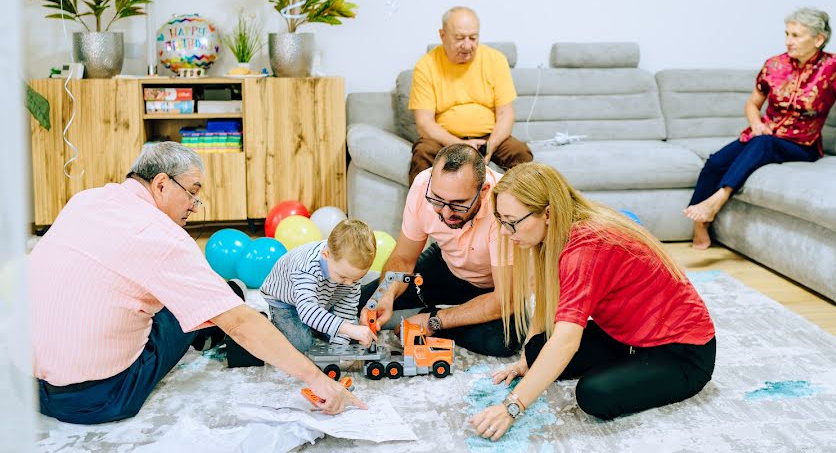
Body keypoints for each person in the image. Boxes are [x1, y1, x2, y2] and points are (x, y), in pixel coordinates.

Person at [30, 142, 363, 424]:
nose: (194, 205)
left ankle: (211, 319)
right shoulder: (162, 238)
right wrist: (318, 380)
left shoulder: (85, 199)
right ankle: (212, 322)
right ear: (161, 184)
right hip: (100, 397)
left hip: (29, 387)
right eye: (191, 192)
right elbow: (241, 323)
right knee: (216, 301)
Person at [470, 162, 715, 441]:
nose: (505, 231)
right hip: (627, 336)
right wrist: (526, 358)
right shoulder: (559, 229)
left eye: (511, 222)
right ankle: (627, 360)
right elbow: (548, 302)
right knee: (538, 351)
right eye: (501, 221)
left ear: (547, 213)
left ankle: (636, 365)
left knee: (594, 395)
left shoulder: (585, 248)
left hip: (683, 352)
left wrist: (512, 406)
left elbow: (566, 341)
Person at [684, 8, 836, 249]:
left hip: (801, 146)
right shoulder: (774, 64)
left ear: (818, 39)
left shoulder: (834, 67)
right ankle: (699, 226)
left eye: (796, 35)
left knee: (764, 143)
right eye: (787, 34)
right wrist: (756, 123)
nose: (788, 41)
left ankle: (717, 201)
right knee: (714, 162)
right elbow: (753, 104)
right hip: (762, 136)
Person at [361, 143, 520, 357]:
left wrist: (433, 321)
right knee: (364, 301)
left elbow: (503, 300)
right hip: (448, 264)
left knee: (502, 342)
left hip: (493, 286)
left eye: (458, 203)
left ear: (483, 191)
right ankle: (451, 314)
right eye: (437, 200)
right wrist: (386, 292)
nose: (445, 213)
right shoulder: (422, 186)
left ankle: (436, 315)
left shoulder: (504, 205)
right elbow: (404, 257)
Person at [407, 6, 533, 185]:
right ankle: (422, 212)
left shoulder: (496, 60)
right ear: (442, 35)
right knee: (422, 153)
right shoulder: (426, 66)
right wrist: (460, 145)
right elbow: (424, 123)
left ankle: (514, 212)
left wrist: (491, 146)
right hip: (444, 139)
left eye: (473, 38)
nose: (467, 46)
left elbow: (506, 114)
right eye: (459, 38)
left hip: (488, 138)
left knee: (521, 154)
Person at [261, 219, 377, 352]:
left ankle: (315, 323)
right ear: (326, 255)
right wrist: (348, 329)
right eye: (343, 277)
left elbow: (346, 310)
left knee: (352, 335)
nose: (350, 284)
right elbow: (307, 311)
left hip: (323, 299)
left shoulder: (347, 273)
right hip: (286, 303)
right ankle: (270, 324)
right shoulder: (306, 267)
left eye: (357, 278)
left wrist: (339, 347)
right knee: (301, 345)